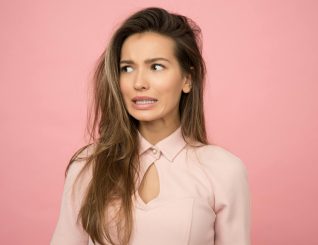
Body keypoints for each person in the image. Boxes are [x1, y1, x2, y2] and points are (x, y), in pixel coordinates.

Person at [51, 6, 251, 245]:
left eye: (156, 66)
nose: (138, 82)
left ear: (187, 79)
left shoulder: (224, 170)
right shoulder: (88, 167)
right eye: (127, 68)